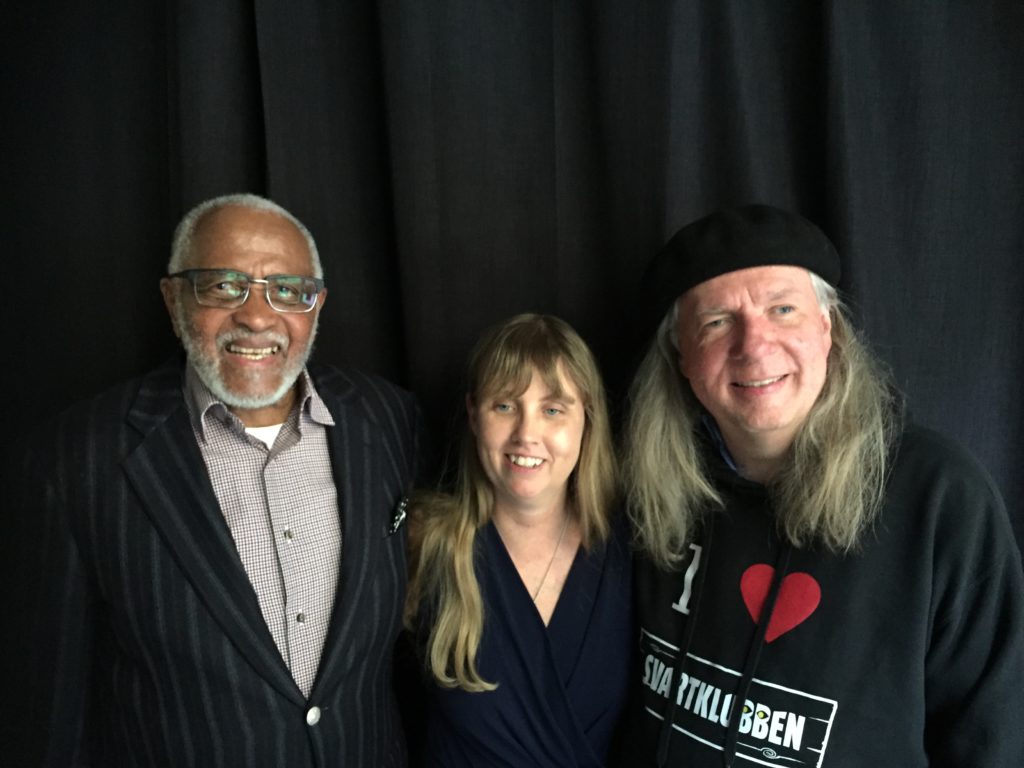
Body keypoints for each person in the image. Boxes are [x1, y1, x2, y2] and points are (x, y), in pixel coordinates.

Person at [7, 194, 420, 766]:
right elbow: (49, 719)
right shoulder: (74, 461)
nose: (256, 315)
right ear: (173, 299)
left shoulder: (388, 419)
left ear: (316, 306)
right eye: (223, 286)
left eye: (288, 289)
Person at [615, 204, 1024, 766]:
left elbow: (992, 741)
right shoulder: (648, 487)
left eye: (782, 309)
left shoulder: (940, 500)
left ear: (828, 329)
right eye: (716, 322)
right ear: (681, 355)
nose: (754, 345)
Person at [405, 313, 632, 767]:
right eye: (505, 406)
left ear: (587, 419)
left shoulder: (633, 550)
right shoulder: (424, 543)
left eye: (553, 409)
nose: (527, 434)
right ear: (474, 414)